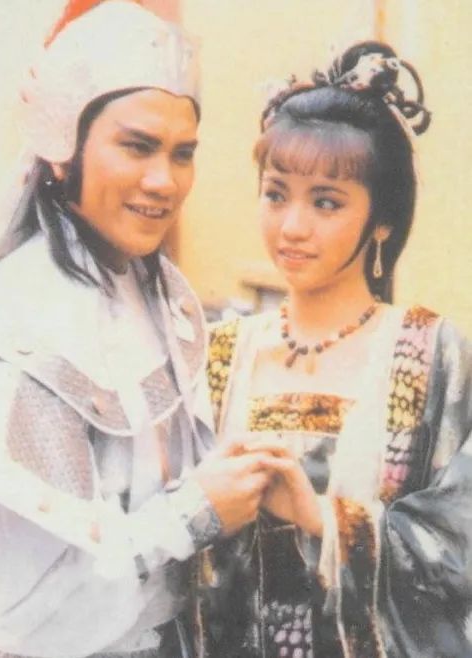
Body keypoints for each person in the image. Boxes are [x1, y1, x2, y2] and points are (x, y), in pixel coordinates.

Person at [0, 2, 273, 657]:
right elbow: (29, 604)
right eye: (137, 146)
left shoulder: (159, 292)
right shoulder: (14, 326)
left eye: (182, 154)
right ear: (64, 149)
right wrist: (197, 512)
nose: (164, 181)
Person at [195, 41, 472, 658]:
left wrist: (321, 516)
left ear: (383, 220)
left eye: (326, 202)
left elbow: (459, 544)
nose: (292, 226)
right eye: (276, 194)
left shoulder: (432, 354)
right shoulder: (220, 354)